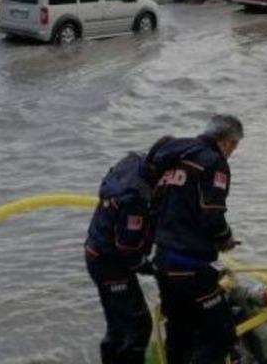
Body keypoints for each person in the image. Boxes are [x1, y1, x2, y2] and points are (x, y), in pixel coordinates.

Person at [149, 114, 244, 364]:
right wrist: (225, 239)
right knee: (221, 335)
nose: (233, 151)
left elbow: (155, 203)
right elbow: (211, 214)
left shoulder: (178, 155)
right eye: (234, 145)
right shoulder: (214, 163)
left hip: (163, 260)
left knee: (180, 331)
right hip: (189, 266)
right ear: (225, 141)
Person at [85, 136, 173, 364]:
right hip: (110, 262)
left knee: (117, 326)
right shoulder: (136, 197)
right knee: (138, 325)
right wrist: (148, 267)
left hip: (96, 252)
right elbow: (127, 248)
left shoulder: (133, 161)